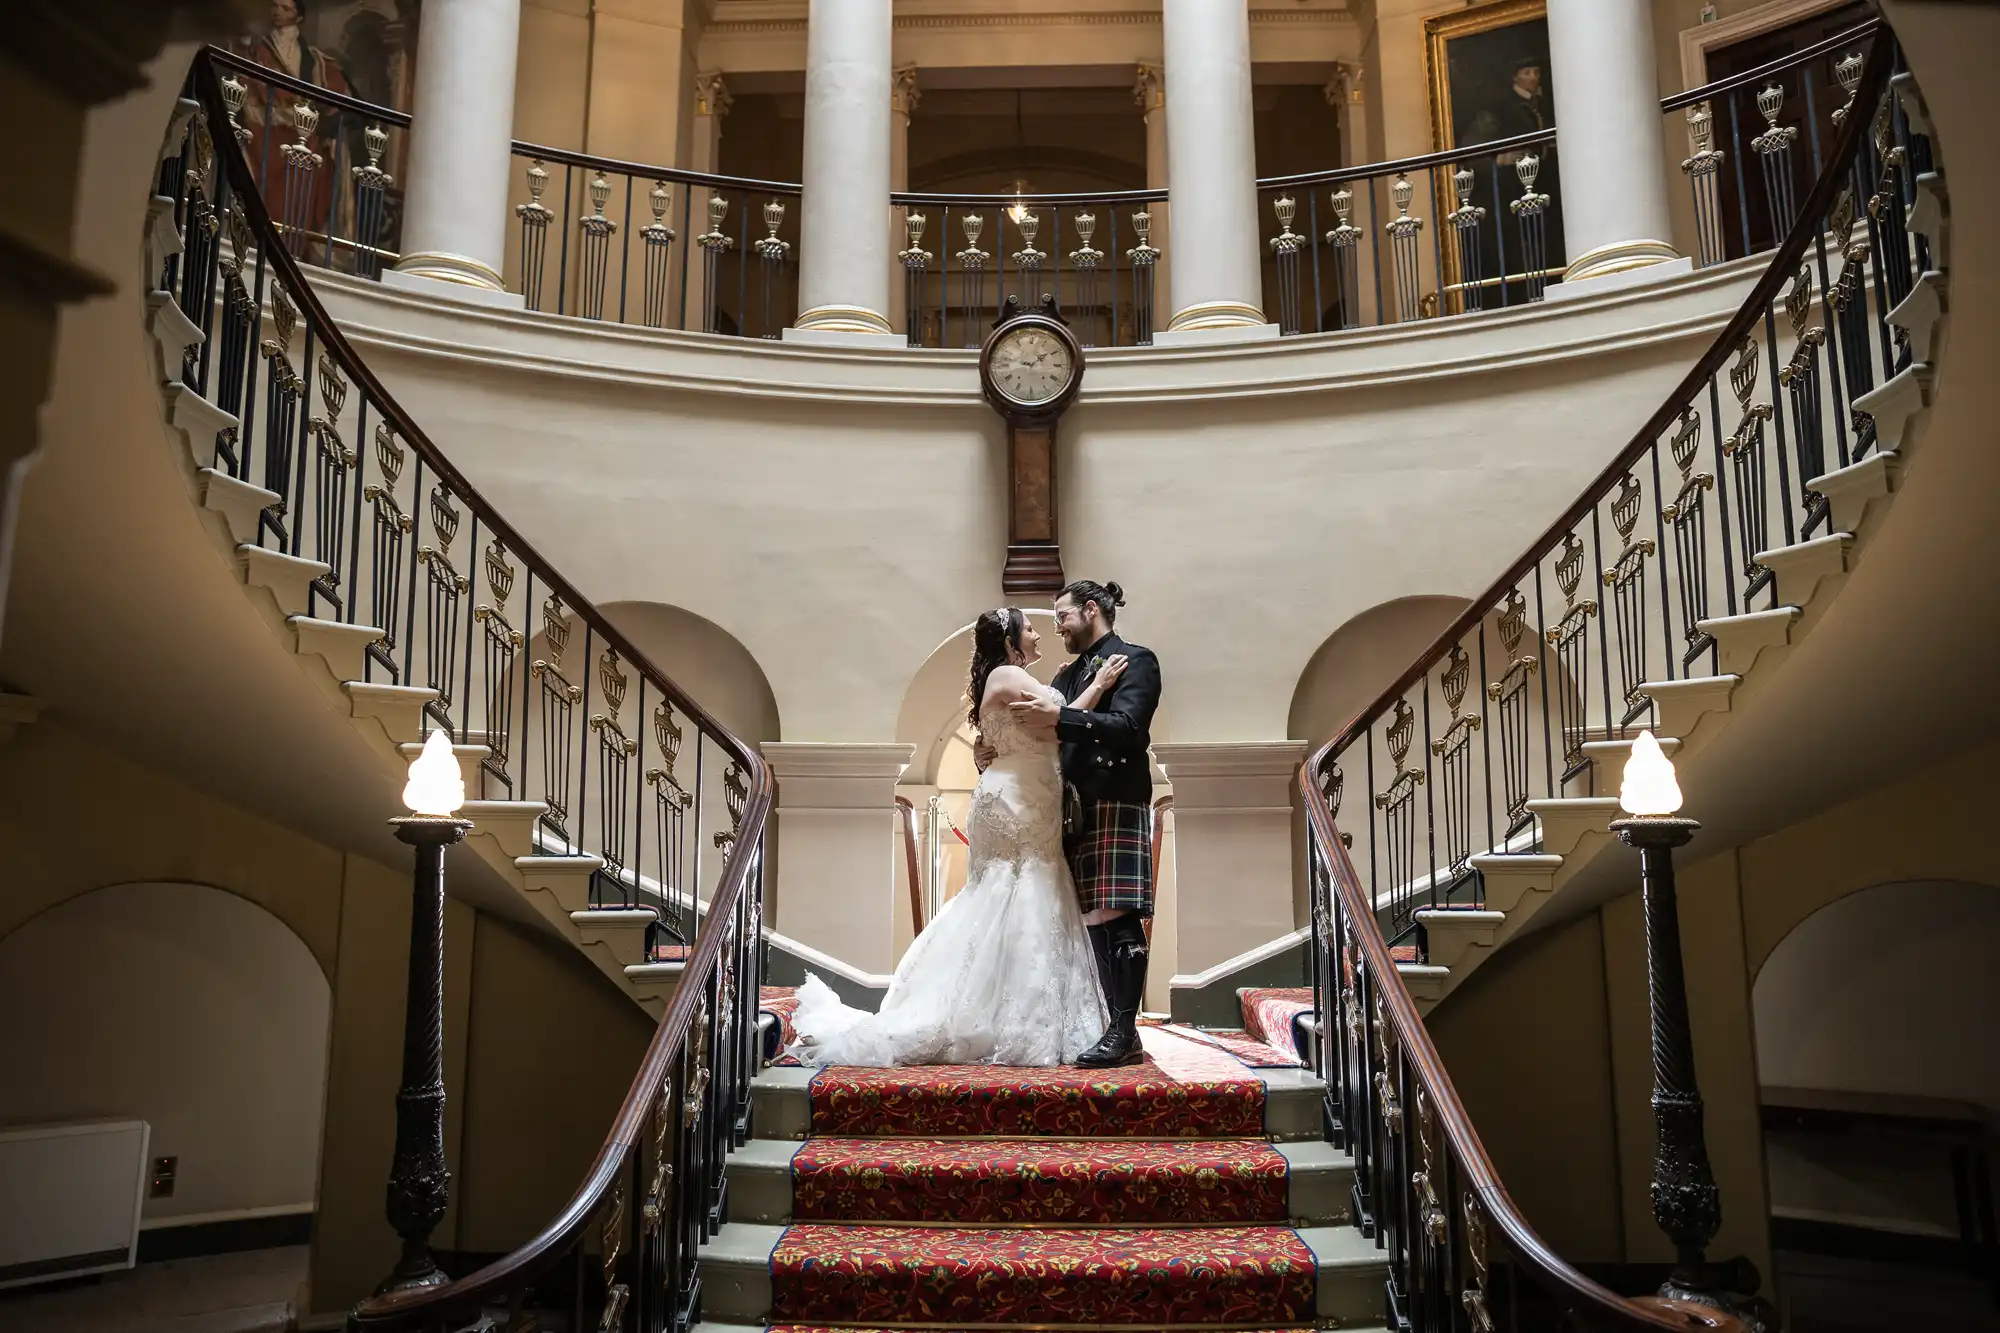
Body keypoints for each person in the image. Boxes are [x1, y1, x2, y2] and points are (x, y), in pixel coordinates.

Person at [785, 607, 1128, 1067]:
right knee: (1022, 890)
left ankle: (1004, 1014)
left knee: (1015, 893)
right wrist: (1100, 684)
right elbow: (1060, 719)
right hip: (1018, 799)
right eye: (1029, 629)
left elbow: (1040, 725)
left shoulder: (1006, 676)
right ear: (1010, 640)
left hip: (1026, 791)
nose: (1037, 634)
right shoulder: (1007, 674)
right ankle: (1012, 1020)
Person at [999, 580, 1164, 1067]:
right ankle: (1110, 1027)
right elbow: (1046, 734)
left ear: (1091, 610)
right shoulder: (1068, 674)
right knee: (1090, 918)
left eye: (1063, 618)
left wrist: (1062, 716)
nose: (1058, 629)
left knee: (1119, 915)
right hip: (1071, 806)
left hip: (1114, 797)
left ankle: (1123, 1030)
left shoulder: (1137, 660)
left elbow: (1131, 730)